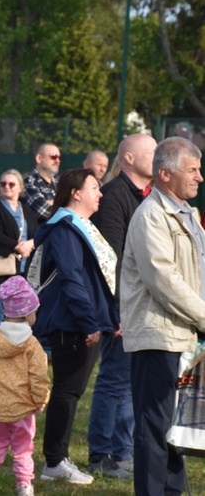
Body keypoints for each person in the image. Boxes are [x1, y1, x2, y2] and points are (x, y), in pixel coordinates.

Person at [121, 136, 205, 495]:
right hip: (159, 338)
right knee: (154, 432)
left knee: (174, 432)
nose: (200, 177)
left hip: (183, 336)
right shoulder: (151, 216)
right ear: (165, 174)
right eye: (193, 169)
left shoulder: (186, 214)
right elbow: (164, 280)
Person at [31, 168, 118, 485]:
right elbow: (71, 279)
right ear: (75, 192)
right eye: (94, 187)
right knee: (67, 392)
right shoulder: (65, 229)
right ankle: (54, 462)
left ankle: (58, 458)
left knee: (70, 391)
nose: (101, 193)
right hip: (73, 325)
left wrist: (109, 318)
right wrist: (90, 322)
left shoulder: (79, 227)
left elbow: (95, 279)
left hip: (81, 323)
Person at [86, 133, 156, 478]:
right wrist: (118, 311)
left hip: (137, 304)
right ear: (129, 158)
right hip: (120, 306)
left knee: (128, 381)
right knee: (115, 380)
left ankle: (121, 452)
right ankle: (104, 455)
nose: (158, 157)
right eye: (152, 151)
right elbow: (110, 260)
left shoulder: (146, 195)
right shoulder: (114, 195)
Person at [0, 275, 50, 496]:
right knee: (23, 449)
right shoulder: (32, 344)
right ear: (27, 313)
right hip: (23, 408)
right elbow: (38, 376)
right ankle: (24, 486)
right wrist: (40, 400)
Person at [0, 169, 38, 334]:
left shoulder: (26, 209)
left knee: (19, 310)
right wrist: (17, 246)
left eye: (11, 184)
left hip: (23, 266)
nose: (6, 187)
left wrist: (30, 244)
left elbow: (36, 231)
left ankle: (12, 344)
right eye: (3, 184)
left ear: (20, 187)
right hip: (1, 268)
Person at [22, 143, 61, 223]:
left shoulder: (60, 182)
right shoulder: (29, 182)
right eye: (53, 156)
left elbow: (75, 206)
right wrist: (62, 204)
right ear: (39, 158)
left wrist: (52, 203)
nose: (57, 161)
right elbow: (43, 211)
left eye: (60, 158)